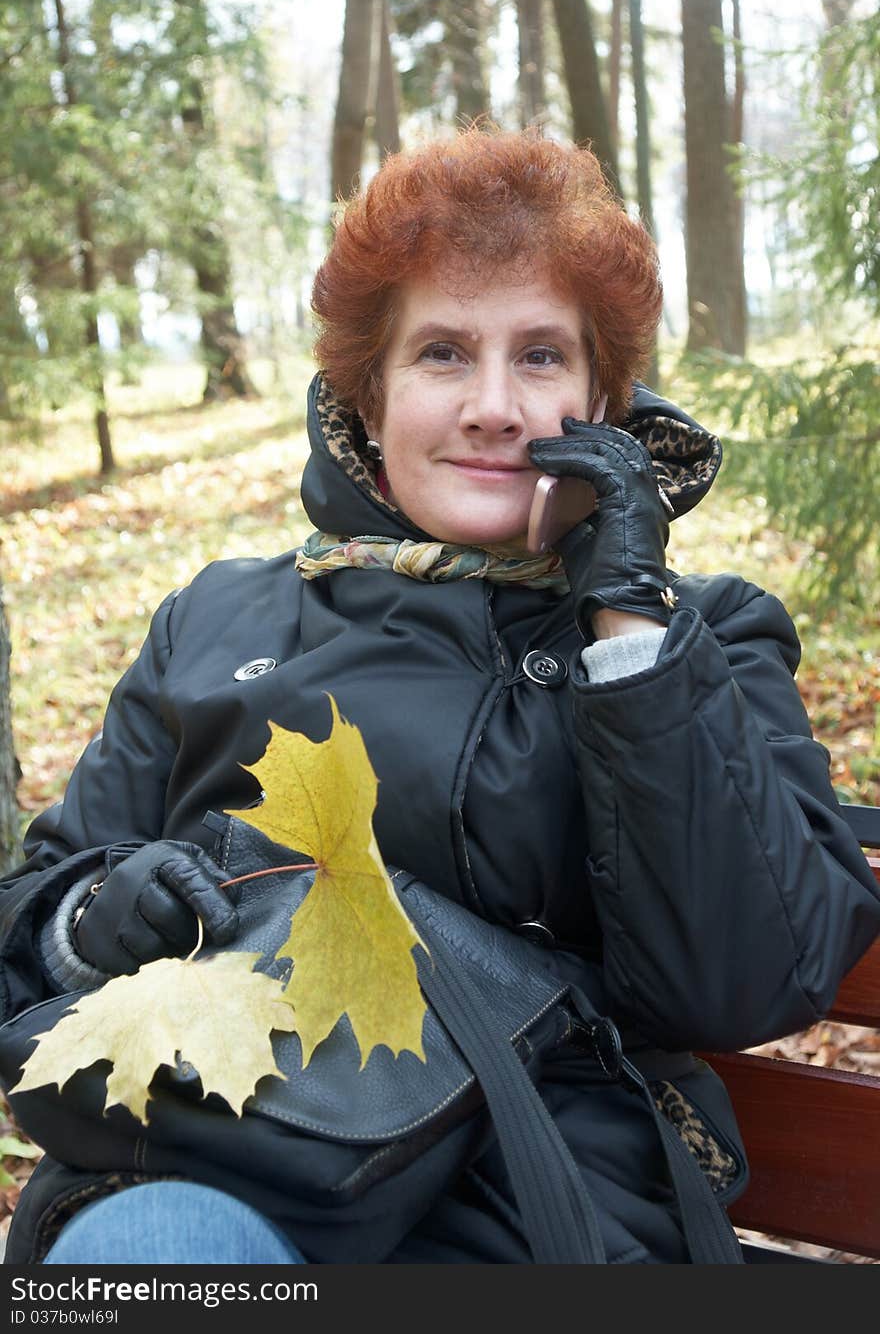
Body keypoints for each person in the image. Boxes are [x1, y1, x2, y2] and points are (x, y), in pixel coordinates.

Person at [2, 128, 879, 1267]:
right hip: (229, 1157)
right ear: (365, 398)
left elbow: (742, 980)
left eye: (542, 358)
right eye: (444, 355)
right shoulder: (218, 621)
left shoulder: (698, 637)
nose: (495, 407)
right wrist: (89, 919)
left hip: (536, 1200)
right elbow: (29, 923)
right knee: (156, 1253)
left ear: (605, 399)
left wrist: (627, 623)